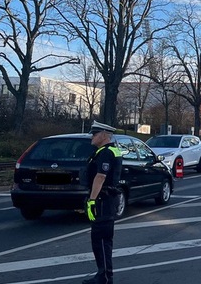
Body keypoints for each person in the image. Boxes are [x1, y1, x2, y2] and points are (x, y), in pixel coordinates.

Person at [83, 121, 122, 284]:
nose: (92, 137)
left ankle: (104, 277)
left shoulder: (106, 153)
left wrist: (92, 200)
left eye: (95, 134)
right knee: (102, 239)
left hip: (103, 201)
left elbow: (100, 177)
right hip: (106, 200)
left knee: (101, 240)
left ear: (105, 135)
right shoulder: (107, 151)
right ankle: (104, 274)